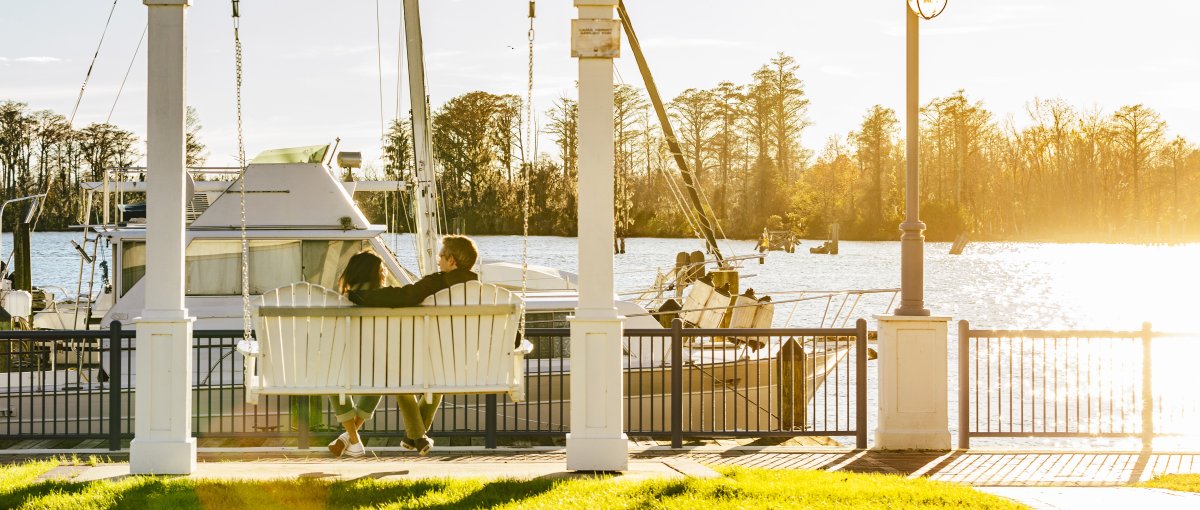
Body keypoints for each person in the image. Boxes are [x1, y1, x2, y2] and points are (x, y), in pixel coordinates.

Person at [328, 235, 481, 457]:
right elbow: (513, 334)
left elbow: (403, 296)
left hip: (426, 356)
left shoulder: (436, 283)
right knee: (431, 383)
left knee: (400, 379)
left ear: (452, 261)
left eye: (441, 256)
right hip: (460, 362)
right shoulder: (480, 290)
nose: (438, 260)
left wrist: (362, 295)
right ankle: (414, 437)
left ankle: (415, 435)